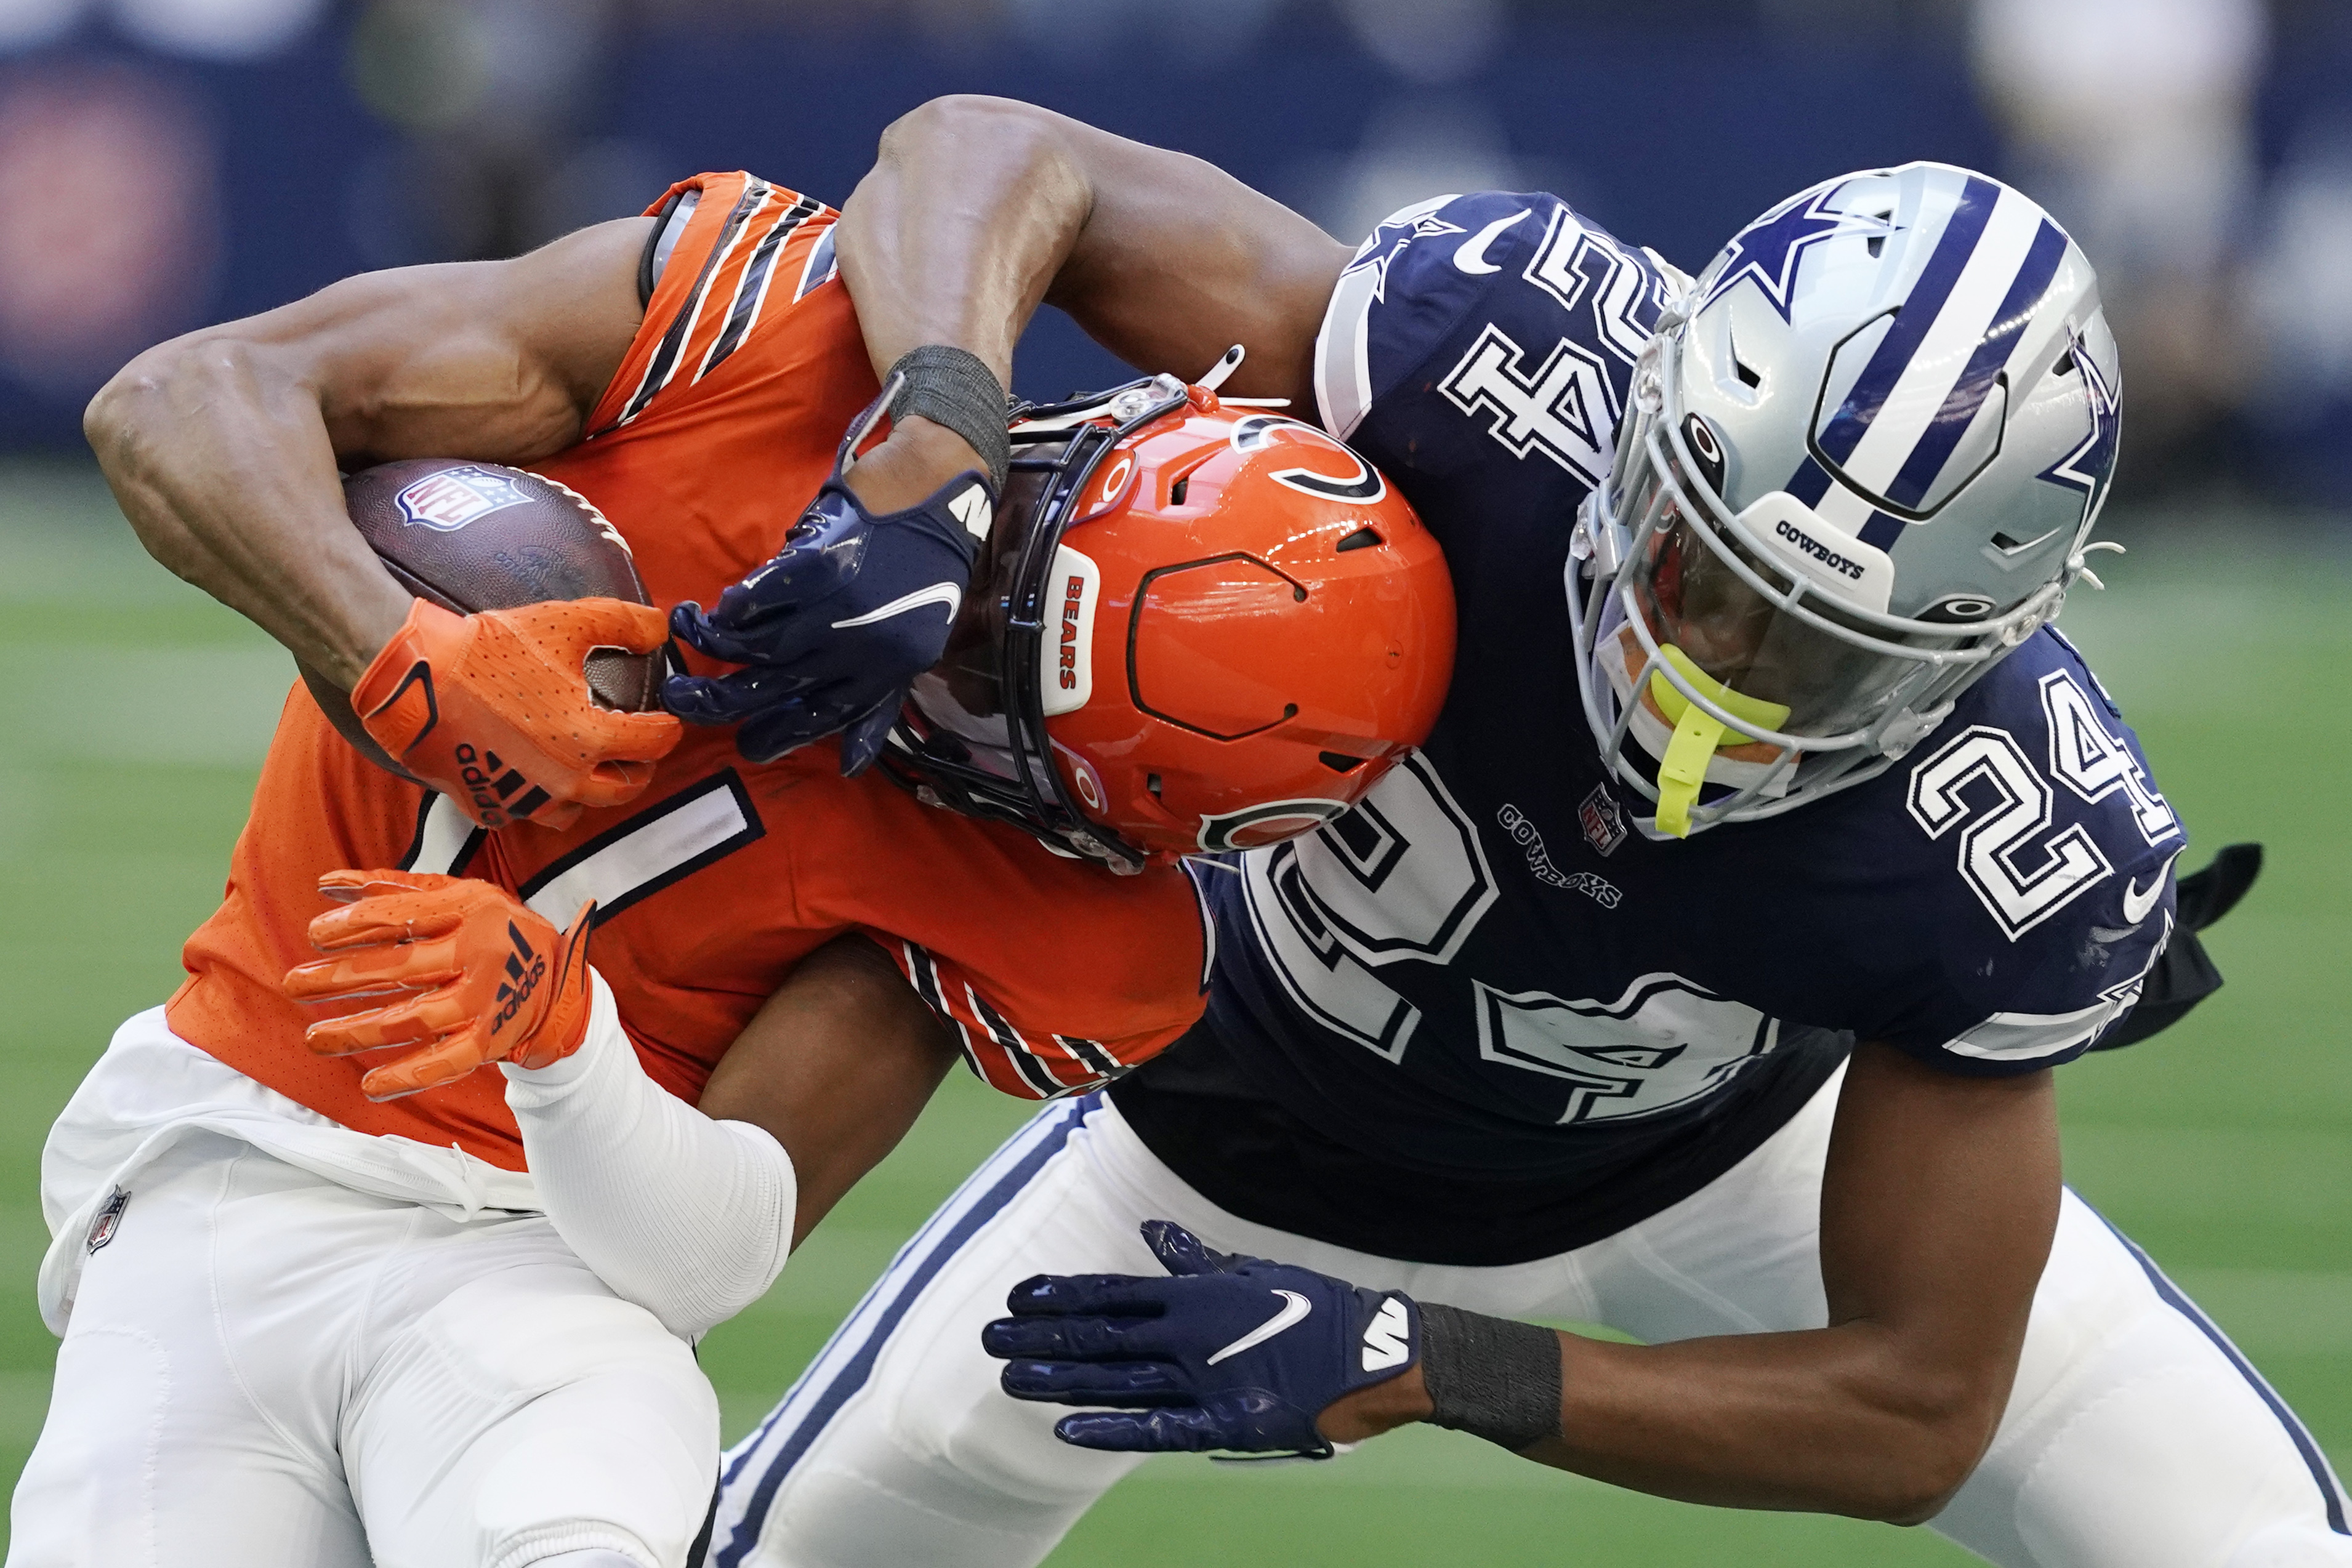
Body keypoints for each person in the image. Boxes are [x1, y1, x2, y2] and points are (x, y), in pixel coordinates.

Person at [703, 99, 2345, 1568]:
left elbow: (1917, 1405)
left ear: (1983, 637)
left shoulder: (2002, 833)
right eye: (1708, 572)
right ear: (1648, 426)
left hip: (1735, 1162)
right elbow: (998, 150)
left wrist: (1437, 1357)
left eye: (1822, 649)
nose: (1716, 673)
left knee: (2260, 1543)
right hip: (1229, 1141)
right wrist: (936, 445)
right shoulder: (1480, 369)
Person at [12, 167, 1451, 1568]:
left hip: (537, 1274)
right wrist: (398, 656)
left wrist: (558, 1035)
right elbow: (178, 402)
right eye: (1007, 551)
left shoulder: (1065, 915)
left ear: (1113, 817)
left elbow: (693, 1259)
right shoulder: (753, 337)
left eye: (1000, 675)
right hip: (229, 1164)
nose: (945, 646)